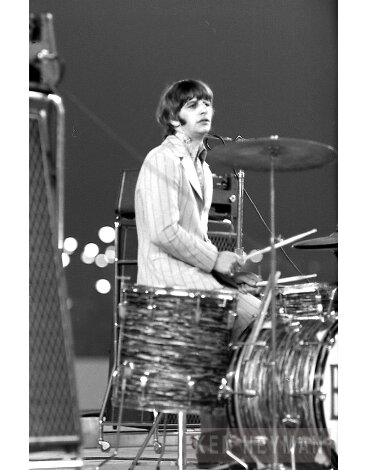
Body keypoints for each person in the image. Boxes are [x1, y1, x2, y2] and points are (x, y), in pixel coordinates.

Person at [134, 79, 261, 467]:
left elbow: (197, 238)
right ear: (174, 119)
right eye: (192, 105)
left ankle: (220, 445)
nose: (204, 109)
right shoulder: (161, 160)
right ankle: (217, 446)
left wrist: (229, 272)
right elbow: (165, 231)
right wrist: (216, 262)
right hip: (166, 283)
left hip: (193, 281)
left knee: (256, 311)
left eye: (207, 103)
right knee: (250, 316)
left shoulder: (202, 170)